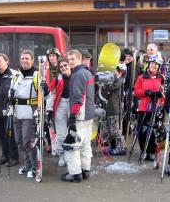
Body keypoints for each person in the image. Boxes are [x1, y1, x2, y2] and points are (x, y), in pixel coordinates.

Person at [61, 50, 95, 183]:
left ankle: (75, 174)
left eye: (72, 59)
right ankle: (85, 171)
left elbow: (78, 96)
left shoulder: (77, 74)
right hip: (89, 114)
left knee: (72, 145)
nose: (70, 62)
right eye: (69, 59)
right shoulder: (87, 72)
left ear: (80, 59)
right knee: (86, 144)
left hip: (80, 115)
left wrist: (72, 117)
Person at [10, 50, 42, 179]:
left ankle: (34, 167)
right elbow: (11, 90)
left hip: (29, 113)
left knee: (28, 141)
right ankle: (27, 165)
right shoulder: (16, 75)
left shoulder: (37, 75)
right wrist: (9, 100)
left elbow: (44, 93)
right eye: (22, 58)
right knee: (19, 141)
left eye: (27, 58)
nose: (24, 60)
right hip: (17, 112)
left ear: (32, 60)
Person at [134, 54, 164, 160]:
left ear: (159, 67)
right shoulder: (142, 77)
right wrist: (146, 92)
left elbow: (164, 92)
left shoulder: (161, 78)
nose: (154, 66)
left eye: (156, 65)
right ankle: (144, 150)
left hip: (156, 108)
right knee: (142, 130)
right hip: (144, 107)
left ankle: (152, 151)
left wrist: (161, 95)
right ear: (149, 64)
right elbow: (137, 91)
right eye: (152, 64)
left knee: (154, 131)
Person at [46, 58, 72, 167]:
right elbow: (51, 94)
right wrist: (49, 110)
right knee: (61, 134)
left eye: (65, 65)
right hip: (60, 104)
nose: (64, 68)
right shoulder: (57, 78)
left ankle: (72, 156)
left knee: (74, 132)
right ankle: (62, 155)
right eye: (61, 67)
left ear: (70, 65)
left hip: (73, 103)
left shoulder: (77, 76)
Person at [102, 63, 127, 155]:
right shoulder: (115, 79)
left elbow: (111, 88)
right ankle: (112, 147)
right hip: (110, 108)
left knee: (115, 130)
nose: (113, 72)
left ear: (120, 71)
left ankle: (120, 148)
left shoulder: (119, 80)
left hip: (115, 108)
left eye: (115, 70)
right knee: (110, 129)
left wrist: (105, 84)